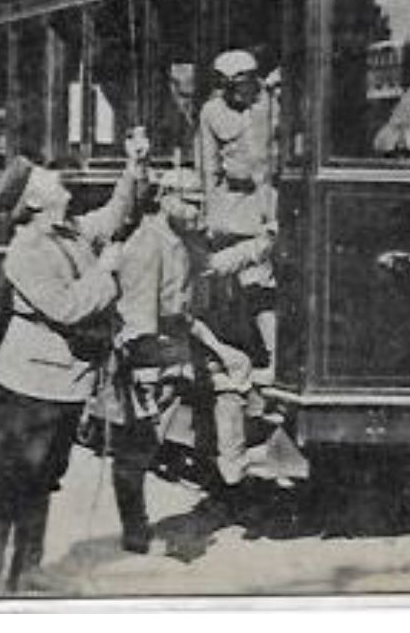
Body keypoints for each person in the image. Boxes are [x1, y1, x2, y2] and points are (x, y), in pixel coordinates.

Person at [0, 137, 148, 597]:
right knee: (11, 479)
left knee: (44, 479)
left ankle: (27, 571)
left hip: (66, 382)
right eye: (47, 175)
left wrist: (133, 165)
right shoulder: (25, 252)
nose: (59, 177)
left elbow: (113, 216)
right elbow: (68, 308)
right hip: (29, 384)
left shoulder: (67, 231)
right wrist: (105, 272)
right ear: (34, 198)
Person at [103, 165, 208, 555]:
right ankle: (134, 529)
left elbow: (208, 267)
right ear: (165, 199)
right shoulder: (149, 243)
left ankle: (138, 525)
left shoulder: (178, 239)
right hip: (150, 356)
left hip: (173, 348)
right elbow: (138, 312)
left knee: (146, 445)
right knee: (136, 446)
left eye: (200, 202)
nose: (197, 210)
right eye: (189, 202)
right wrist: (146, 370)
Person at [196, 49, 279, 381]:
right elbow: (208, 166)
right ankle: (229, 353)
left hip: (270, 201)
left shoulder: (272, 104)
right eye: (226, 85)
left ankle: (273, 357)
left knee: (260, 282)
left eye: (240, 84)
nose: (234, 92)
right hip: (232, 208)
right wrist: (211, 214)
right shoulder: (212, 112)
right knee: (223, 284)